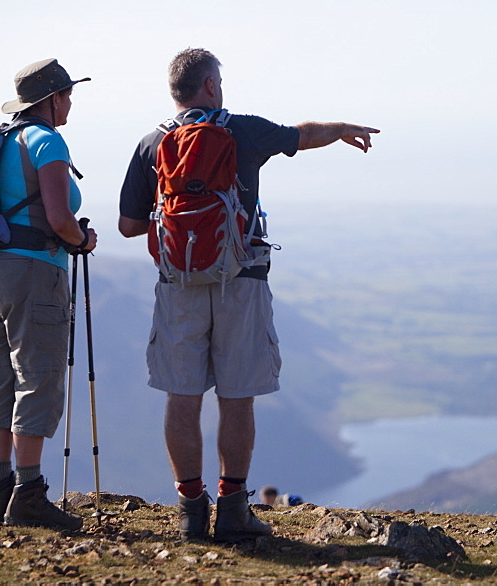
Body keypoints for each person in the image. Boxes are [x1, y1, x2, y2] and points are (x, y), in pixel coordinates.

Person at [118, 48, 378, 542]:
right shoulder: (242, 131)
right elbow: (301, 136)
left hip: (179, 285)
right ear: (211, 85)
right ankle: (233, 508)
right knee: (237, 397)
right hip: (242, 279)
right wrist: (342, 128)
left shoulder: (153, 143)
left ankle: (191, 510)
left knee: (183, 395)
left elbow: (129, 226)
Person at [0, 58, 97, 531]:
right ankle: (28, 494)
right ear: (51, 99)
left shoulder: (1, 142)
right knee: (38, 377)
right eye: (67, 95)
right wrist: (82, 241)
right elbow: (60, 218)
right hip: (32, 273)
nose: (70, 103)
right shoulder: (47, 141)